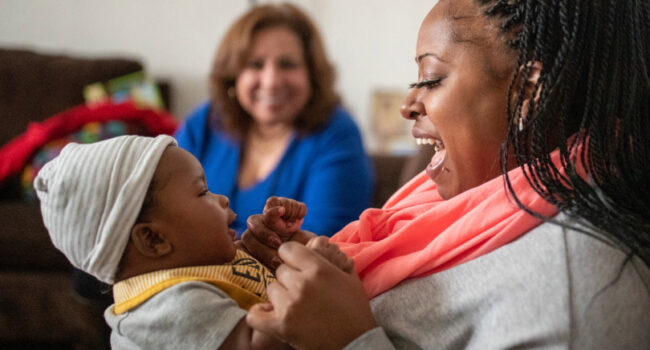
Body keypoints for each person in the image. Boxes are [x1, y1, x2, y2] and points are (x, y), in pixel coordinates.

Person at [240, 0, 650, 349]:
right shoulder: (451, 195)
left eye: (432, 79)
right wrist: (307, 267)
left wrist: (348, 339)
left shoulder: (572, 292)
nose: (408, 104)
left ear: (528, 90)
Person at [33, 134, 351, 349]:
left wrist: (267, 244)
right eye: (202, 192)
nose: (222, 199)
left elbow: (240, 279)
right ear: (154, 238)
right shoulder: (166, 307)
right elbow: (258, 343)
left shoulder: (199, 266)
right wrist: (317, 278)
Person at [175, 3, 374, 237]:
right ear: (233, 75)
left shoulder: (338, 134)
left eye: (287, 64)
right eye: (255, 65)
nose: (271, 81)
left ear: (312, 74)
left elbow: (325, 240)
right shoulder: (204, 122)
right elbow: (165, 213)